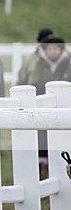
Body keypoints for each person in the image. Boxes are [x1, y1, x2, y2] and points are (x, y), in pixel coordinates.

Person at [16, 30, 70, 176]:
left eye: (55, 48)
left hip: (64, 108)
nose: (53, 51)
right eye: (49, 48)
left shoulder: (67, 62)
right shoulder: (34, 62)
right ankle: (42, 170)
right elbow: (24, 81)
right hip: (40, 106)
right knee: (41, 137)